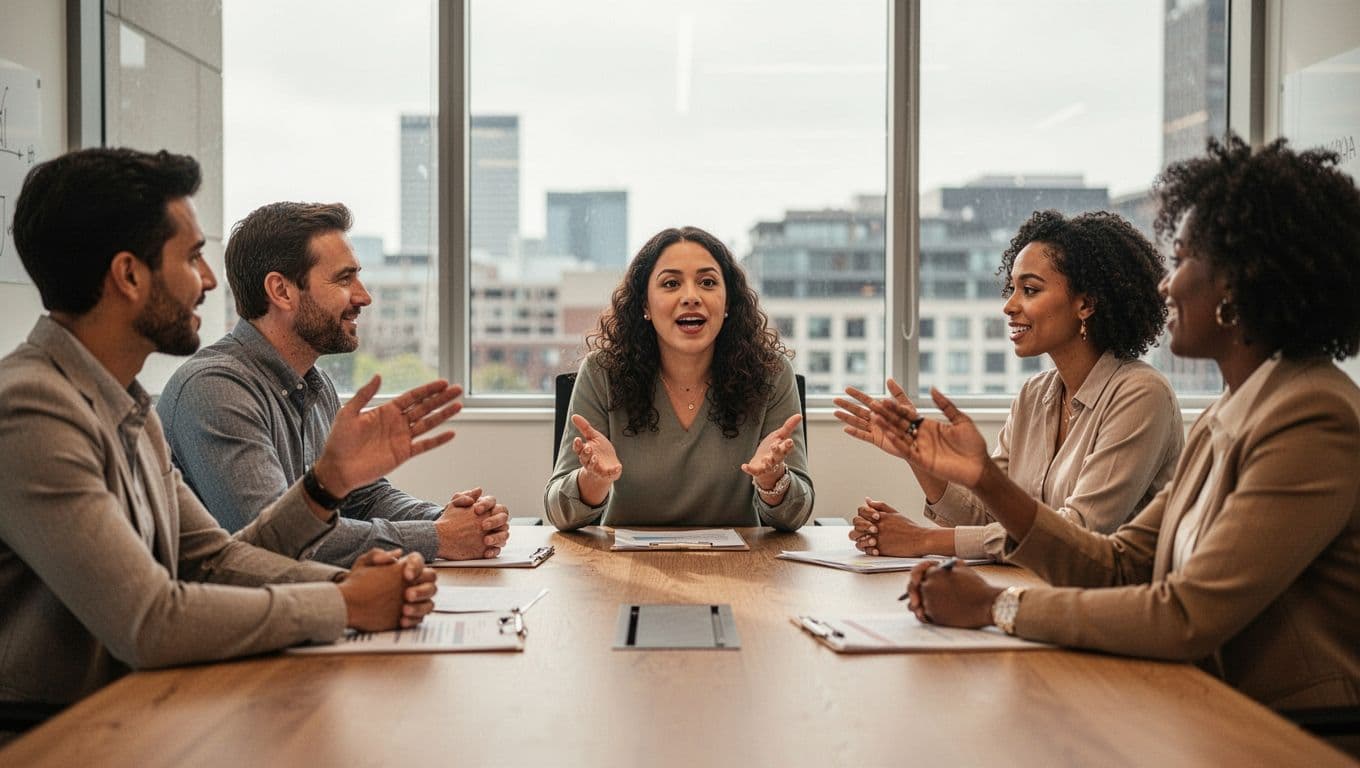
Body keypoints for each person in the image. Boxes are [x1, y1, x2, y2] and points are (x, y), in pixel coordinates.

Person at [887, 136, 1360, 711]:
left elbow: (1184, 614)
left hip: (1286, 727)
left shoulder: (1313, 418)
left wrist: (995, 607)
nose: (1167, 284)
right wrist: (985, 478)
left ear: (1237, 282)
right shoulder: (1228, 412)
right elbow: (1114, 563)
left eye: (1183, 260)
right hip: (1199, 699)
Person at [0, 148, 448, 723]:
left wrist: (341, 534)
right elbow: (151, 621)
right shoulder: (31, 409)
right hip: (50, 736)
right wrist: (344, 601)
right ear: (129, 276)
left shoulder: (127, 403)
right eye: (191, 258)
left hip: (133, 712)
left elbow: (215, 560)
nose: (209, 281)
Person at [158, 202, 510, 568]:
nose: (364, 297)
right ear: (281, 291)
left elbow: (362, 498)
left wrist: (451, 519)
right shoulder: (215, 390)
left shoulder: (316, 383)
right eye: (344, 279)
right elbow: (280, 543)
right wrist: (438, 538)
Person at [836, 210, 1182, 560]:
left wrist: (922, 541)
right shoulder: (1034, 395)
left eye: (1029, 290)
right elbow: (990, 515)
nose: (1009, 306)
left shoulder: (1141, 395)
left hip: (1115, 606)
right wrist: (917, 456)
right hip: (1038, 591)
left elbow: (1077, 534)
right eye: (1011, 288)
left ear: (1086, 304)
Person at [544, 226, 813, 530]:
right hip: (623, 569)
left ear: (728, 303)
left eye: (708, 282)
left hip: (742, 568)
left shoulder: (771, 373)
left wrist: (772, 479)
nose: (691, 297)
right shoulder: (601, 371)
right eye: (671, 283)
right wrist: (592, 480)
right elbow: (559, 513)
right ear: (645, 304)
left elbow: (794, 516)